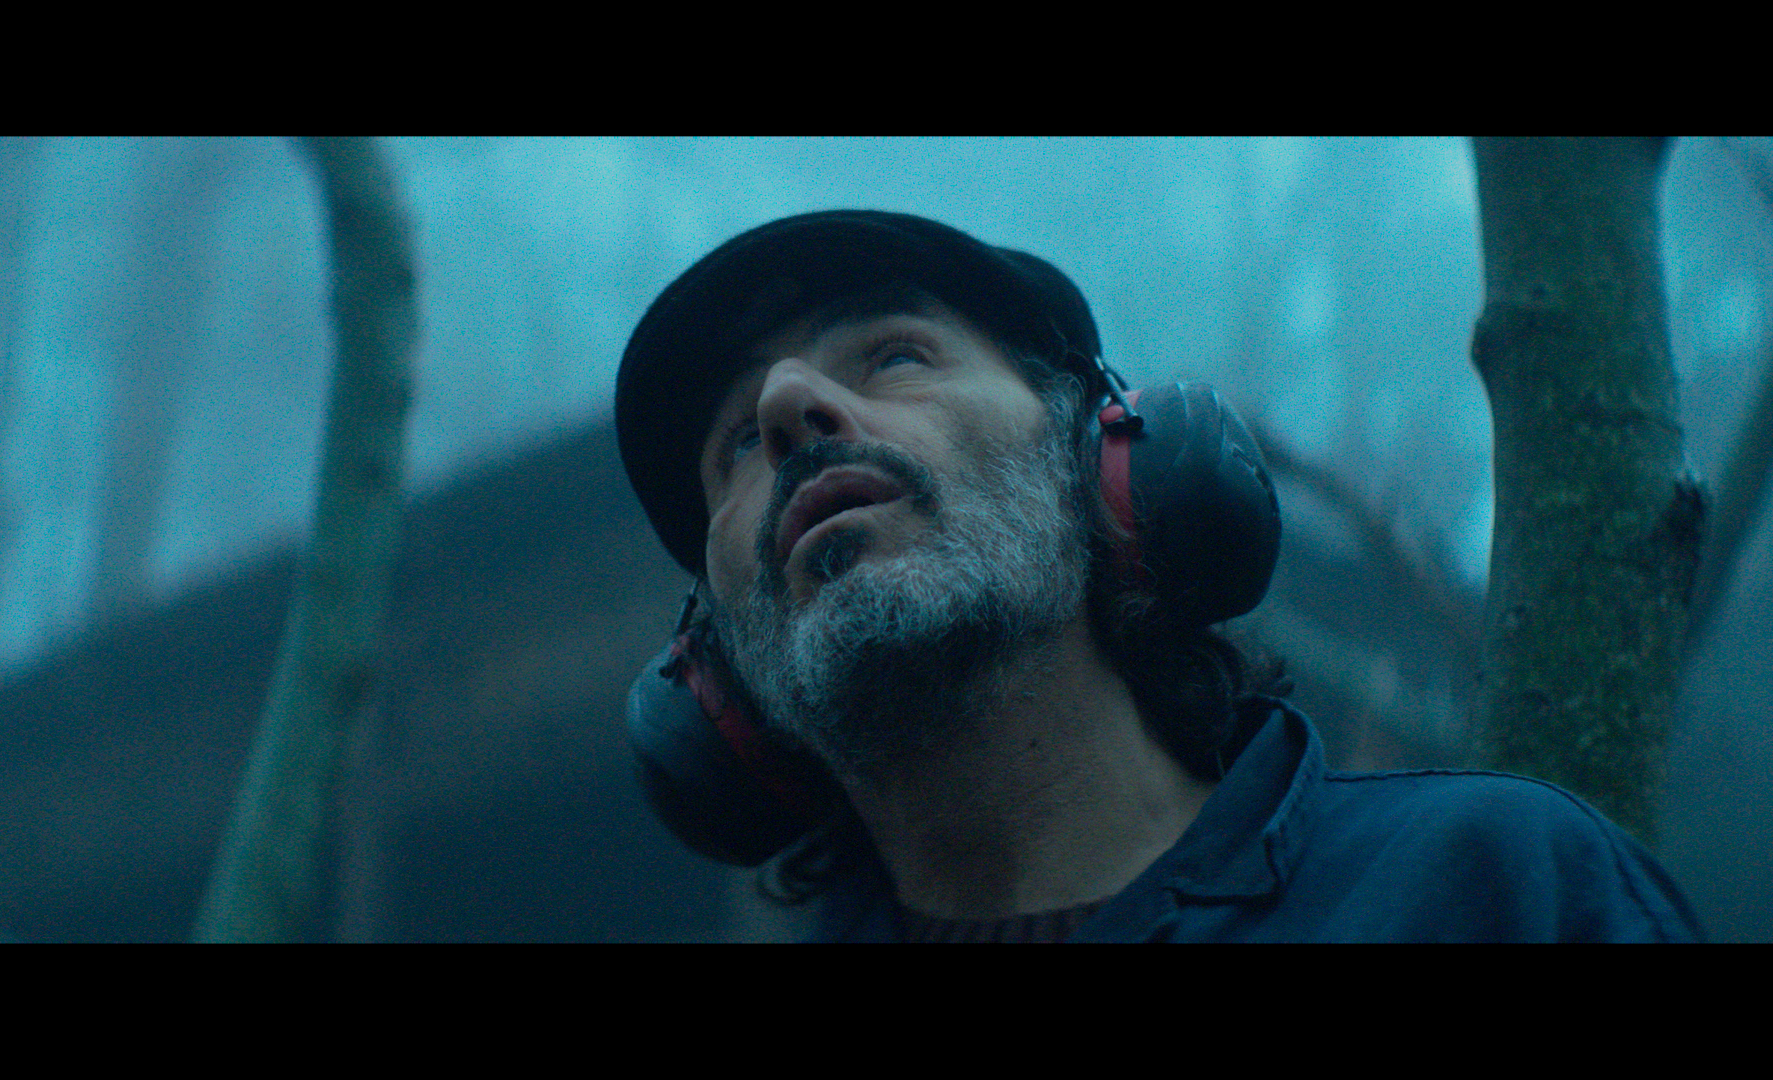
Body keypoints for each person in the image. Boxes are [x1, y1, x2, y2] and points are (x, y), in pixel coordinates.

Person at [615, 209, 1704, 942]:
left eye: (894, 356)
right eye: (736, 446)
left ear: (1101, 463)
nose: (787, 407)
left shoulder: (1499, 886)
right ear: (715, 674)